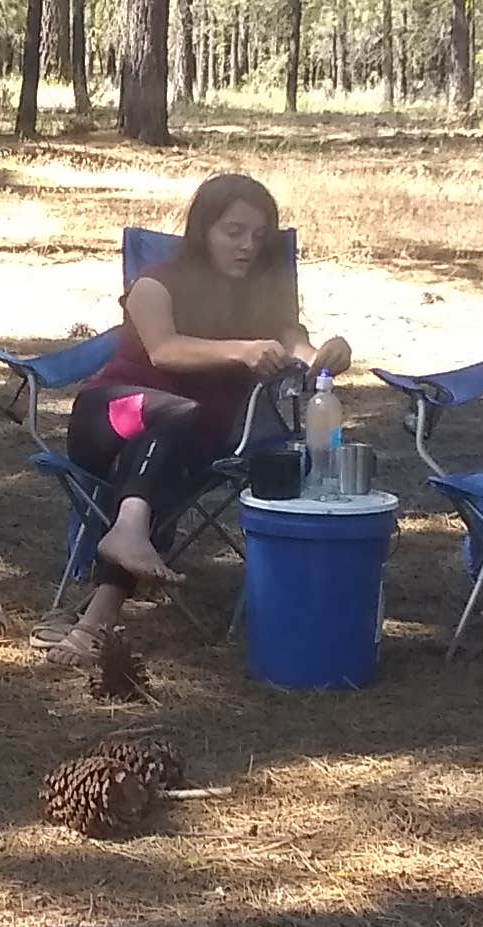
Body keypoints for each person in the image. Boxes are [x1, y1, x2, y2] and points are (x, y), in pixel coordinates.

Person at [37, 173, 350, 660]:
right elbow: (164, 351)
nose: (248, 246)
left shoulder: (264, 301)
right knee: (179, 418)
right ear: (203, 229)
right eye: (234, 231)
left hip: (185, 448)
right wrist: (243, 351)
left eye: (260, 236)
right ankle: (125, 541)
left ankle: (98, 612)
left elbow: (303, 352)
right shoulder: (156, 284)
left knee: (163, 465)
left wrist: (331, 355)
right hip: (112, 417)